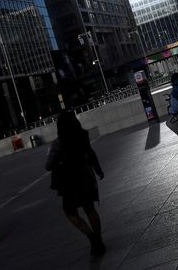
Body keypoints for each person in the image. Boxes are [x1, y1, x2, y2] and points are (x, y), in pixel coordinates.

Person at [45, 110, 106, 257]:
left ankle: (92, 238)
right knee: (90, 209)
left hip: (68, 183)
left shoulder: (57, 144)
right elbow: (90, 153)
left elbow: (48, 165)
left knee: (70, 213)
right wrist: (98, 170)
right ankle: (99, 240)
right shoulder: (82, 136)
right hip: (85, 176)